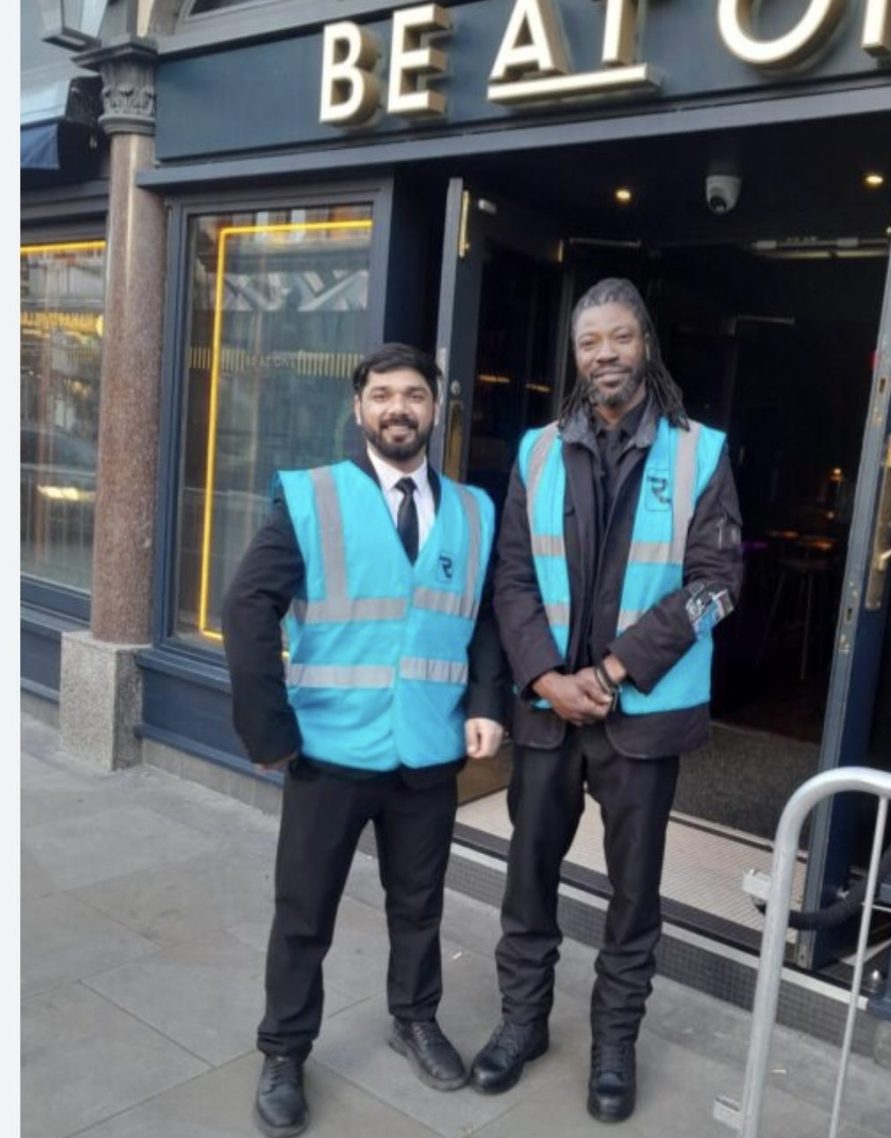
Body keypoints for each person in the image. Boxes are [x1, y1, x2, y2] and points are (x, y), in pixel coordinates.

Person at [469, 278, 743, 1123]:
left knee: (633, 898)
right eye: (590, 343)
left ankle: (614, 1044)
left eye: (620, 337)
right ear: (576, 356)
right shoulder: (537, 450)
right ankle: (523, 1023)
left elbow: (718, 584)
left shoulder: (700, 452)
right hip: (547, 713)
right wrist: (546, 679)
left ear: (646, 344)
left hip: (642, 719)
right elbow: (512, 574)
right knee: (527, 878)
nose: (605, 355)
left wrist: (616, 671)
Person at [221, 342, 508, 1138]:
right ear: (359, 409)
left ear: (435, 408)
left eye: (413, 394)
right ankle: (284, 1050)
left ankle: (414, 1018)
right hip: (328, 752)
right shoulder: (313, 497)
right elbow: (246, 607)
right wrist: (268, 729)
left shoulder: (475, 512)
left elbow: (486, 618)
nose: (397, 409)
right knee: (303, 912)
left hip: (429, 751)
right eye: (382, 395)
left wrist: (488, 702)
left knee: (419, 906)